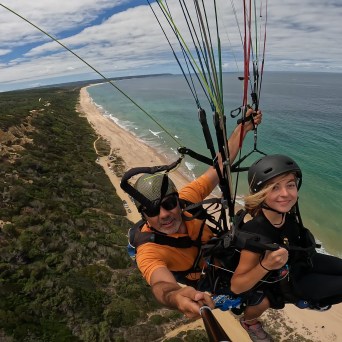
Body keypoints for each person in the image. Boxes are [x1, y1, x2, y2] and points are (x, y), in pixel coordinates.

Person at [120, 109, 262, 319]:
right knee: (256, 294)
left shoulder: (186, 200)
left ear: (177, 200)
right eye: (152, 210)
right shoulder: (149, 249)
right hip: (208, 277)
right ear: (143, 215)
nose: (164, 215)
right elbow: (160, 284)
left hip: (220, 252)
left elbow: (219, 167)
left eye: (169, 204)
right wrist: (175, 296)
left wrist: (242, 129)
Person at [230, 154, 342, 342]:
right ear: (261, 193)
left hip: (302, 261)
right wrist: (265, 265)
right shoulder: (255, 234)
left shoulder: (287, 215)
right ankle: (308, 300)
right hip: (289, 281)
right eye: (275, 187)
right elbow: (236, 286)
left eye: (290, 185)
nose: (286, 194)